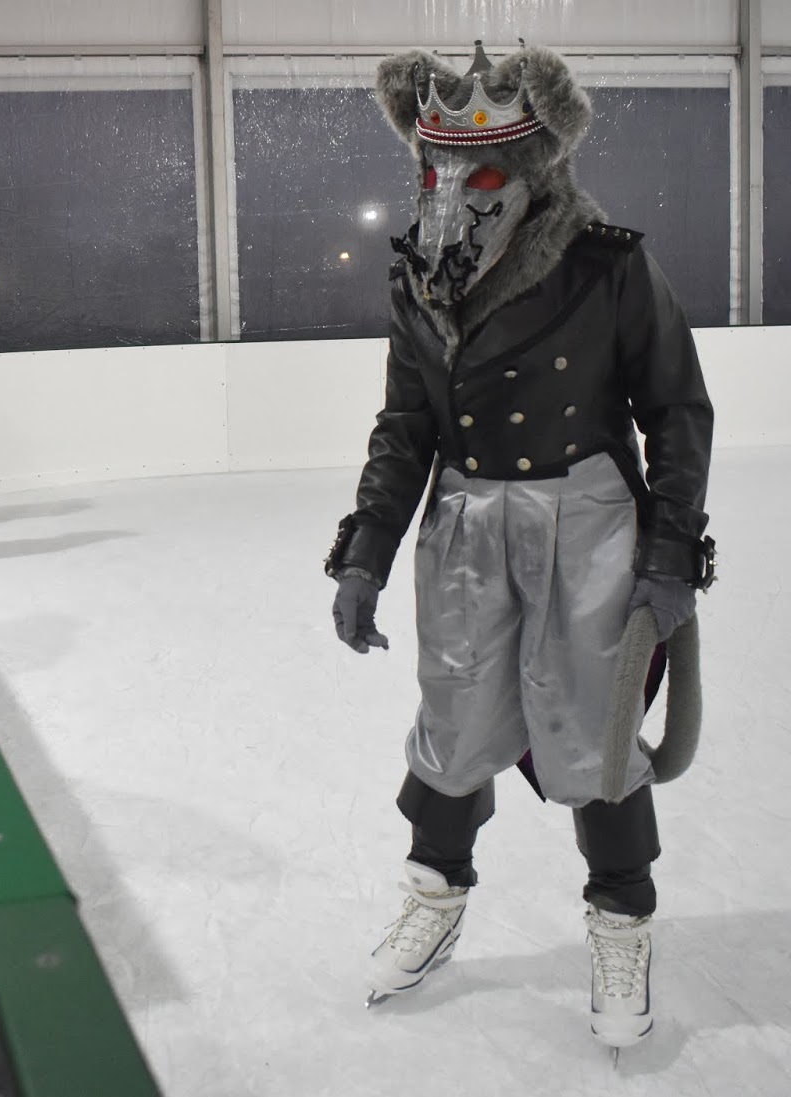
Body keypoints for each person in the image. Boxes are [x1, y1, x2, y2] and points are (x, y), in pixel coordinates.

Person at [326, 45, 714, 1051]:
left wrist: (670, 551)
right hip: (462, 524)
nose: (452, 193)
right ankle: (434, 893)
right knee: (453, 717)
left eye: (483, 172)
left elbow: (675, 407)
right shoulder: (416, 274)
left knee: (593, 733)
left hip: (583, 524)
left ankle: (620, 919)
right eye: (432, 169)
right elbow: (406, 420)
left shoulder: (608, 265)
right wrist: (366, 546)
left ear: (535, 166)